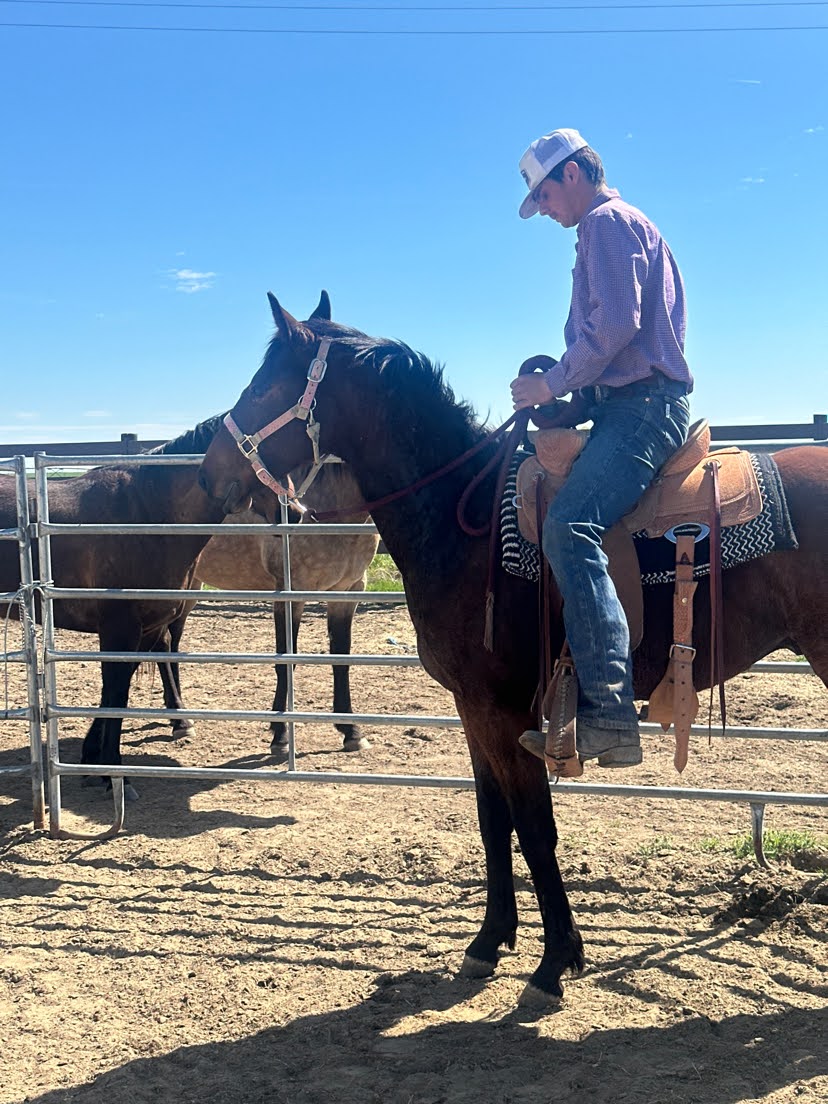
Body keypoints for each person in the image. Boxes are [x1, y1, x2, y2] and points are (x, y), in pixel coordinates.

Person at [511, 127, 693, 768]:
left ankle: (610, 715)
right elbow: (619, 342)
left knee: (568, 526)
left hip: (642, 410)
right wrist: (568, 401)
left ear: (571, 174)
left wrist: (552, 383)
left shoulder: (606, 223)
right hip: (627, 405)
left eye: (543, 195)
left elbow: (618, 324)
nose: (544, 210)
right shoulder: (612, 226)